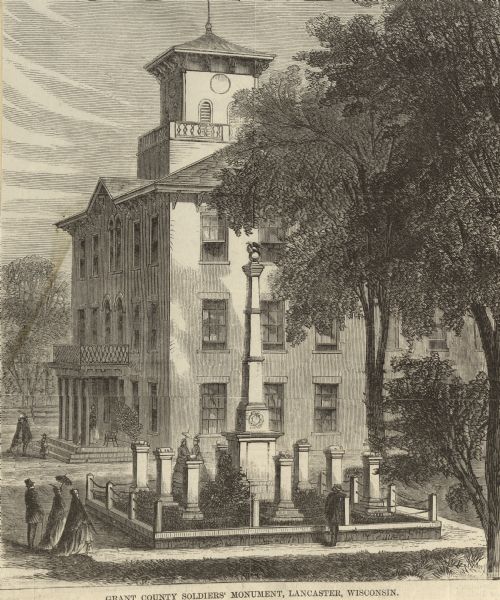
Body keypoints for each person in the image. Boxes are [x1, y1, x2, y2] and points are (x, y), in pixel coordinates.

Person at [54, 488, 95, 555]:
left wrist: (81, 521)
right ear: (72, 495)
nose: (76, 495)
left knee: (82, 537)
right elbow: (74, 514)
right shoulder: (74, 501)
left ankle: (82, 550)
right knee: (75, 537)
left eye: (76, 493)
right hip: (78, 522)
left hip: (81, 522)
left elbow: (81, 513)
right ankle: (78, 549)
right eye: (74, 494)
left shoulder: (77, 501)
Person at [39, 485, 66, 550]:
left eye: (58, 491)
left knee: (56, 531)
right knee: (51, 530)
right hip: (55, 516)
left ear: (60, 491)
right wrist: (51, 514)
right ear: (55, 492)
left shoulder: (59, 498)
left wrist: (56, 514)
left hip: (59, 517)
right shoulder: (56, 498)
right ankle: (51, 545)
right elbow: (54, 508)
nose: (57, 492)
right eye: (56, 491)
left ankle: (54, 544)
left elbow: (63, 507)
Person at [25, 479, 44, 549]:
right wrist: (41, 510)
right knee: (33, 529)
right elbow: (37, 502)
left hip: (29, 513)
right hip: (34, 513)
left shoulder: (27, 492)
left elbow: (27, 503)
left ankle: (30, 545)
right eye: (33, 484)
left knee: (30, 529)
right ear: (31, 485)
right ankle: (31, 546)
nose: (34, 485)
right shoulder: (34, 492)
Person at [172, 436, 191, 503]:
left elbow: (188, 454)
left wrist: (188, 456)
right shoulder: (179, 448)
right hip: (180, 463)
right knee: (178, 479)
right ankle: (177, 494)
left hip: (185, 463)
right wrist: (184, 457)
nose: (184, 443)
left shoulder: (186, 448)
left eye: (185, 442)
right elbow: (179, 455)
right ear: (181, 442)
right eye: (183, 442)